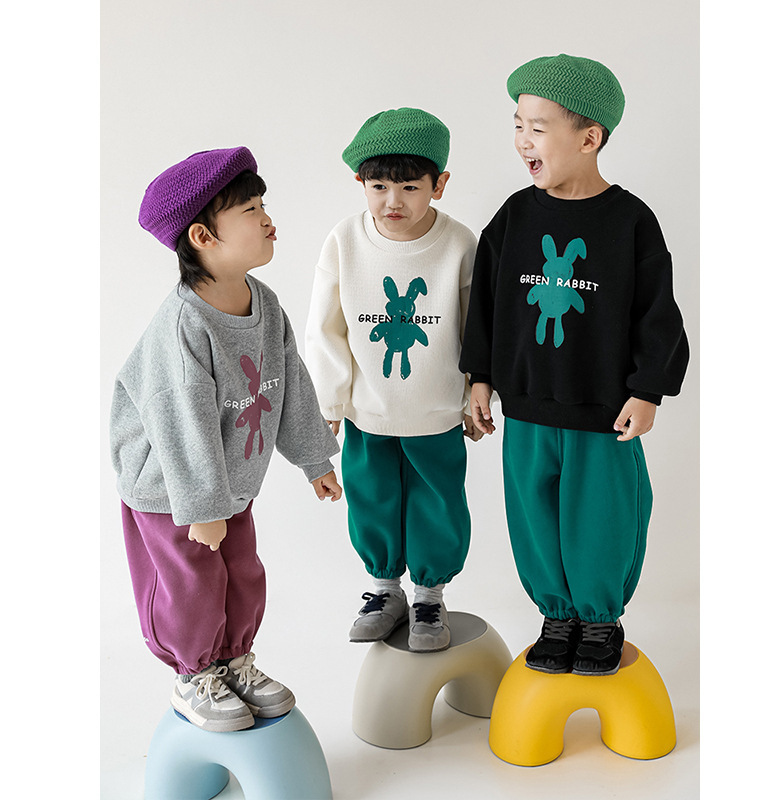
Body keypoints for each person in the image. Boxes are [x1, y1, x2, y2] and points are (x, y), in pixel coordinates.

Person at [460, 55, 689, 676]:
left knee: (603, 517)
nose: (522, 141)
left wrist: (648, 389)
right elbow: (485, 301)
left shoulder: (630, 221)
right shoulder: (514, 216)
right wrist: (480, 376)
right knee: (533, 514)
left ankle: (599, 619)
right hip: (528, 407)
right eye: (517, 125)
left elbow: (657, 312)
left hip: (603, 411)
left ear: (589, 138)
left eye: (537, 128)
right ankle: (557, 617)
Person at [110, 147, 342, 731]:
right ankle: (194, 674)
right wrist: (202, 507)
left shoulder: (264, 304)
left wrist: (314, 457)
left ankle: (233, 659)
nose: (268, 219)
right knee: (193, 583)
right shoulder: (185, 325)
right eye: (251, 210)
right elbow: (179, 423)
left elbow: (289, 383)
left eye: (264, 205)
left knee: (242, 571)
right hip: (172, 487)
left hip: (229, 480)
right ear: (203, 237)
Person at [305, 108, 480, 652]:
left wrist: (477, 392)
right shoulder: (344, 241)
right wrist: (329, 403)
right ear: (360, 182)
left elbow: (478, 326)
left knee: (438, 501)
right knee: (371, 497)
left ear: (439, 185)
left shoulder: (458, 244)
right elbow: (326, 327)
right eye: (379, 186)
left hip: (436, 411)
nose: (393, 201)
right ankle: (384, 590)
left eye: (409, 187)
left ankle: (429, 595)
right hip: (368, 411)